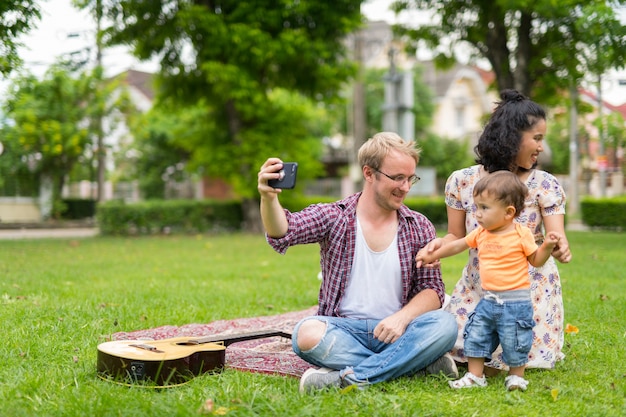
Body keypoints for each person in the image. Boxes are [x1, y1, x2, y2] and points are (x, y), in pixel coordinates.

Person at [257, 132, 458, 392]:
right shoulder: (335, 216)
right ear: (369, 173)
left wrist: (401, 318)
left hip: (398, 331)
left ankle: (346, 379)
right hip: (344, 330)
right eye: (397, 178)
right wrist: (268, 197)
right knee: (305, 334)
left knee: (445, 325)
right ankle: (414, 364)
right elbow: (284, 231)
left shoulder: (419, 225)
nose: (406, 187)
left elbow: (433, 291)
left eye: (410, 178)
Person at [422, 89, 573, 374]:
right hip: (480, 285)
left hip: (527, 291)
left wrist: (560, 246)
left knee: (511, 353)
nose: (541, 146)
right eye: (537, 138)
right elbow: (455, 235)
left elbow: (557, 235)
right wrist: (436, 247)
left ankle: (485, 366)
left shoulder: (544, 184)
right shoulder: (463, 181)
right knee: (448, 340)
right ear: (512, 137)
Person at [416, 171, 563, 391]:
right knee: (477, 335)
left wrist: (547, 247)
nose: (477, 214)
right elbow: (457, 245)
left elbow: (535, 260)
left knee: (515, 340)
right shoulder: (481, 233)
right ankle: (476, 376)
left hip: (516, 303)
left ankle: (516, 376)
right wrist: (434, 254)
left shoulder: (521, 234)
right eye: (476, 207)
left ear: (508, 212)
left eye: (484, 208)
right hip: (488, 300)